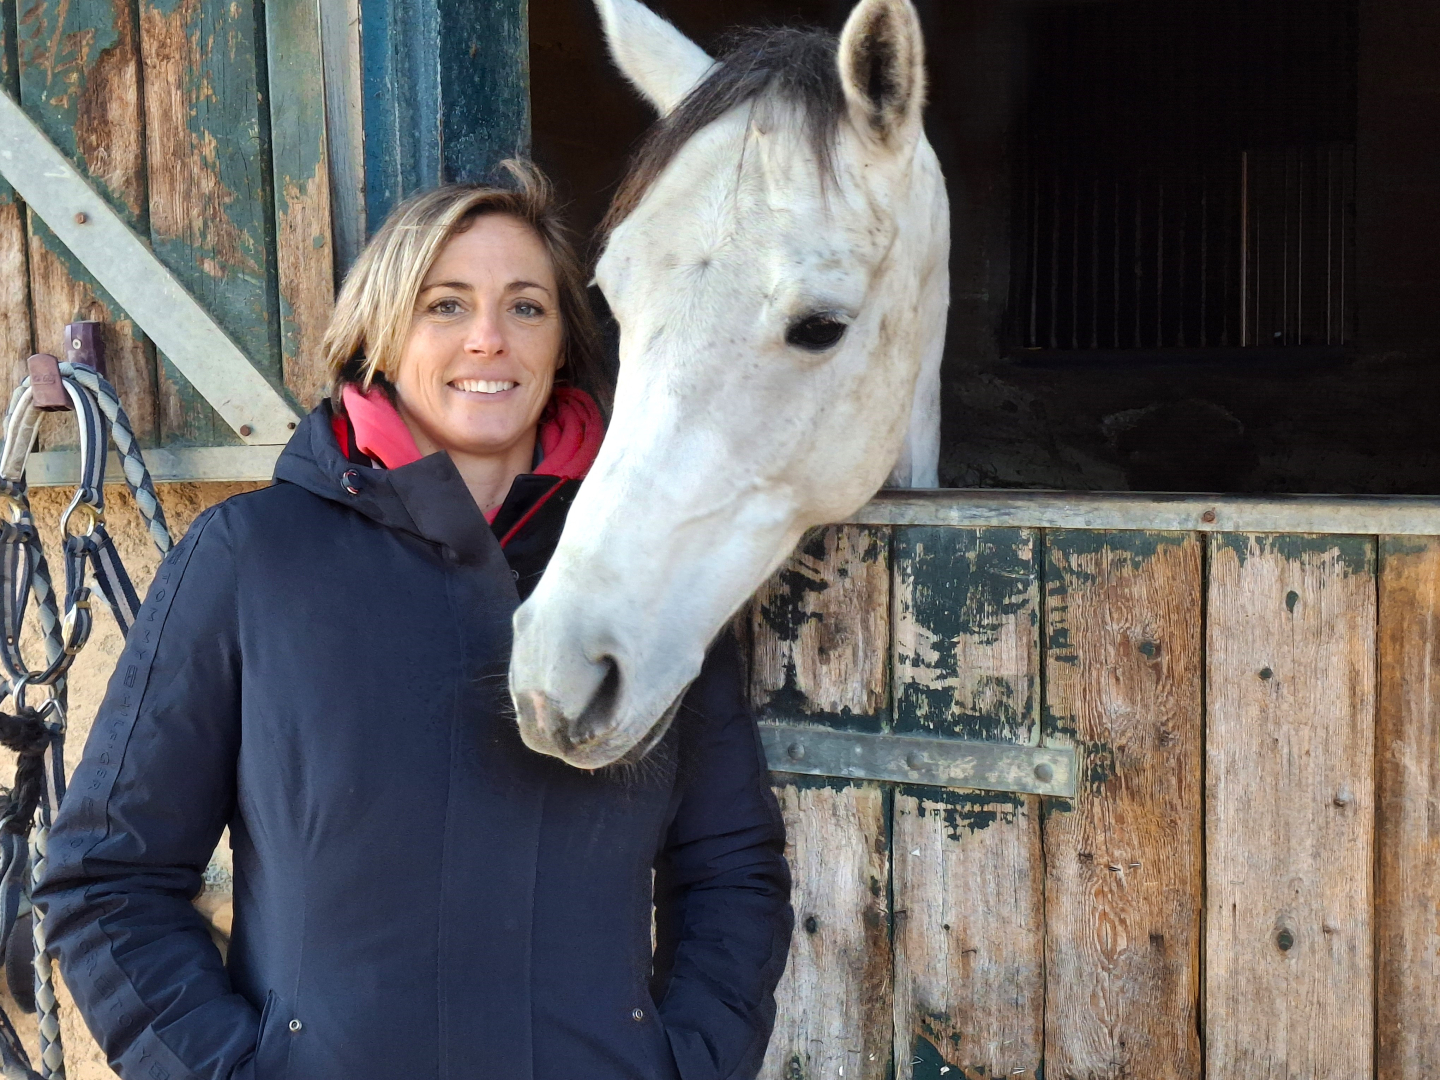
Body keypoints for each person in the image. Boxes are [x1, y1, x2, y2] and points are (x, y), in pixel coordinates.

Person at [35, 161, 793, 1080]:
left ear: (562, 345)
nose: (488, 339)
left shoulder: (647, 574)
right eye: (445, 305)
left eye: (526, 307)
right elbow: (109, 879)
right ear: (381, 336)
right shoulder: (253, 557)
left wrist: (683, 1065)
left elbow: (731, 870)